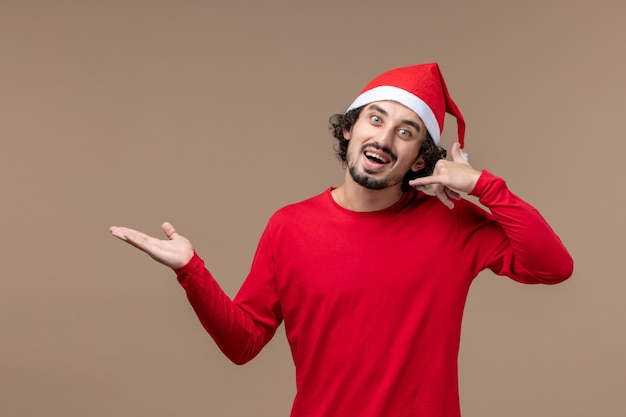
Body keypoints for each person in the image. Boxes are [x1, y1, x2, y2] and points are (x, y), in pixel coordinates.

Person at [110, 63, 573, 417]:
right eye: (376, 119)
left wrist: (484, 186)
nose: (385, 138)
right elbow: (243, 343)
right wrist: (191, 271)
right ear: (350, 129)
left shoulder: (452, 224)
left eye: (406, 131)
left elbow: (553, 267)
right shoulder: (288, 227)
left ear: (419, 160)